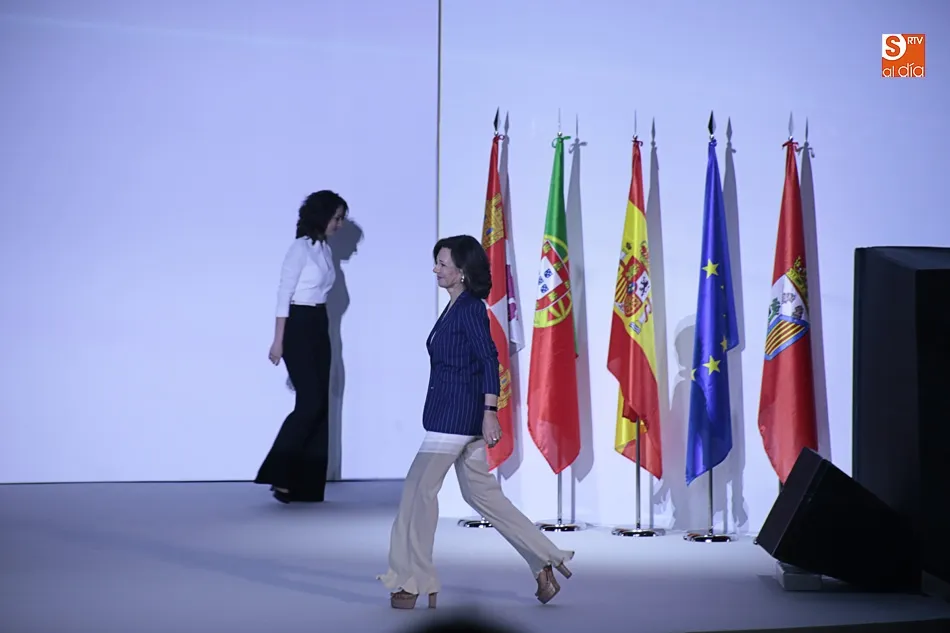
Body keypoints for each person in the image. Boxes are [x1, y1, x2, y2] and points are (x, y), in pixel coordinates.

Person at [378, 234, 575, 609]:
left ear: (463, 272)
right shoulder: (455, 307)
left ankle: (413, 581)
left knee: (417, 494)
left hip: (455, 419)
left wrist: (490, 412)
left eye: (442, 264)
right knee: (483, 496)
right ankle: (544, 560)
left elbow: (489, 360)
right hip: (454, 415)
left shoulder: (470, 308)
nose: (435, 269)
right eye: (436, 262)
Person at [254, 190, 348, 504]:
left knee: (321, 404)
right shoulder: (300, 249)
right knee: (310, 404)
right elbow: (284, 294)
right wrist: (278, 340)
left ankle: (307, 485)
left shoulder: (324, 250)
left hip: (319, 324)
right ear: (322, 216)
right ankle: (280, 475)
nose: (339, 224)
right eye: (336, 218)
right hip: (298, 325)